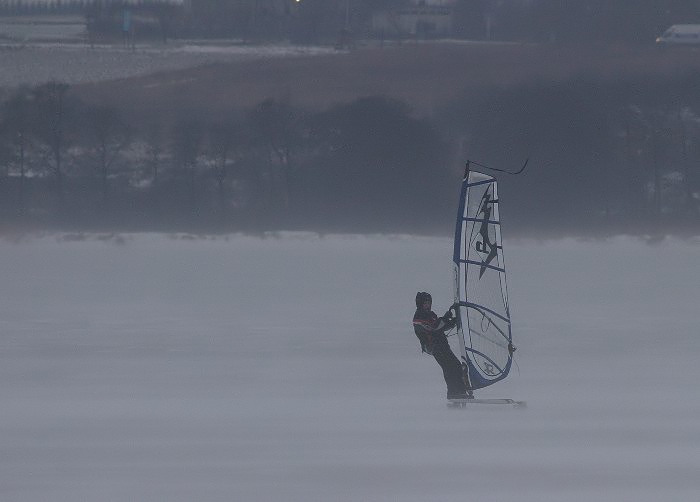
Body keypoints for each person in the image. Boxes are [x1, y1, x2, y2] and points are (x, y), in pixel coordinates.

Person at [412, 291, 471, 399]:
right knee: (452, 367)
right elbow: (435, 327)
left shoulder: (430, 314)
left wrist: (452, 321)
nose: (427, 305)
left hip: (442, 345)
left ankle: (455, 392)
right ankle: (457, 392)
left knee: (453, 367)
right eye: (425, 303)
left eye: (429, 303)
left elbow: (439, 326)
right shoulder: (419, 316)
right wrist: (446, 319)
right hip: (435, 347)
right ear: (420, 303)